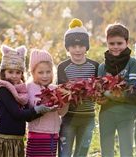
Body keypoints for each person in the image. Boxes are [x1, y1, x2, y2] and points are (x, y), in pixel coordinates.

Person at [0, 45, 51, 157]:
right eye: (10, 72)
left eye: (18, 73)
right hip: (6, 138)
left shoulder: (21, 91)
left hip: (18, 138)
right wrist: (37, 109)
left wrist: (44, 109)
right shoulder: (3, 89)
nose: (14, 76)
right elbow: (17, 113)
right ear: (3, 72)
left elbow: (27, 117)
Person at [57, 18, 99, 157]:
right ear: (67, 48)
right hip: (69, 118)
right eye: (73, 46)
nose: (77, 50)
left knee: (81, 153)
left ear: (86, 47)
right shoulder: (63, 67)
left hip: (88, 118)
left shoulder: (95, 66)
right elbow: (62, 94)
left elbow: (98, 90)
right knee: (64, 153)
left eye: (81, 46)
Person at [97, 23, 136, 157]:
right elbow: (99, 94)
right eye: (112, 43)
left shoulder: (132, 63)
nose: (115, 47)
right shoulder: (102, 67)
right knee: (106, 151)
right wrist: (101, 97)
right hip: (106, 115)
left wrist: (108, 93)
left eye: (119, 43)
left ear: (127, 42)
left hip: (126, 114)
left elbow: (131, 89)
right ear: (107, 43)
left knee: (126, 151)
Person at [26, 49, 69, 157]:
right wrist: (51, 103)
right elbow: (35, 102)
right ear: (33, 73)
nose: (45, 76)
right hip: (37, 134)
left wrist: (66, 101)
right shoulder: (31, 87)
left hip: (53, 135)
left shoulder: (54, 88)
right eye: (40, 72)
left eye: (48, 72)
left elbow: (61, 113)